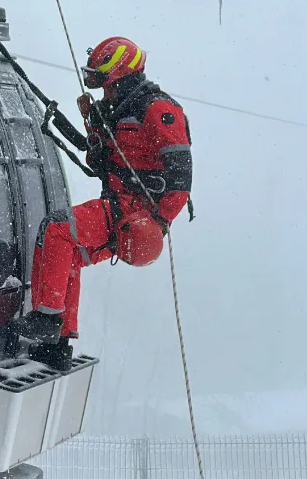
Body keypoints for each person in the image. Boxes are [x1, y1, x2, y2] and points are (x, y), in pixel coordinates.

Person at [12, 36, 194, 370]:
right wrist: (91, 131)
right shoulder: (113, 109)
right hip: (118, 203)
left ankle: (48, 318)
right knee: (68, 254)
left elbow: (181, 180)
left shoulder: (156, 110)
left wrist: (159, 223)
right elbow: (100, 163)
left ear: (120, 74)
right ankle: (57, 344)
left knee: (57, 230)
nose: (101, 90)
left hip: (136, 210)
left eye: (103, 81)